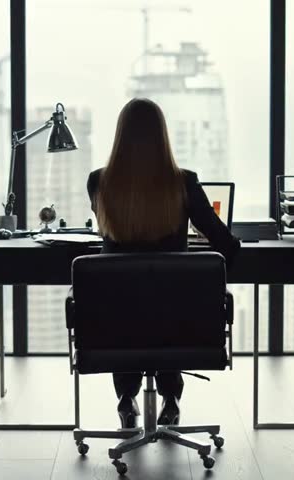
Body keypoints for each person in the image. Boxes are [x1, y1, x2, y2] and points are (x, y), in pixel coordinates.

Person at [86, 98, 241, 429]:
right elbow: (220, 238)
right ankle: (170, 400)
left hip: (116, 323)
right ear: (163, 136)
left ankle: (127, 400)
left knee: (123, 300)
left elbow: (105, 229)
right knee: (169, 297)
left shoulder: (98, 181)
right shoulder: (184, 182)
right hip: (174, 319)